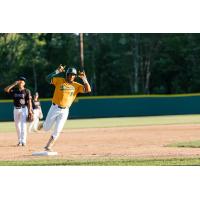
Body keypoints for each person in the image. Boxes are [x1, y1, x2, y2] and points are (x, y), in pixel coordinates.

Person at [38, 65, 91, 151]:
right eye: (70, 74)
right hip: (55, 108)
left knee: (58, 130)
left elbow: (88, 90)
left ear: (75, 76)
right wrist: (57, 71)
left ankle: (48, 145)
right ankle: (43, 124)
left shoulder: (76, 85)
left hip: (65, 110)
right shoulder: (59, 80)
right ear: (66, 75)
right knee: (46, 128)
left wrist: (84, 79)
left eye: (73, 75)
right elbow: (47, 79)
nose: (71, 76)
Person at [4, 76, 33, 146]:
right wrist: (13, 84)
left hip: (24, 109)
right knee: (17, 125)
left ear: (24, 83)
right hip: (16, 109)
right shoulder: (14, 91)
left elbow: (29, 102)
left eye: (22, 81)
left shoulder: (27, 91)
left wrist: (30, 111)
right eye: (20, 80)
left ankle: (23, 141)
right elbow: (6, 89)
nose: (20, 82)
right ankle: (20, 140)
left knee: (23, 125)